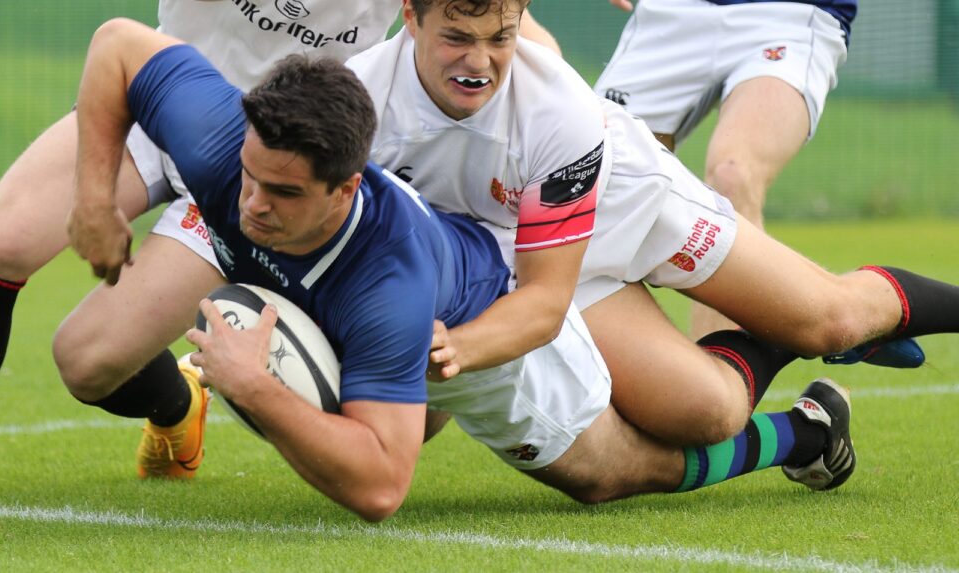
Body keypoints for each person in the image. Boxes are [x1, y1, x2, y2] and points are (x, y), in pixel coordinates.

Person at [67, 20, 854, 518]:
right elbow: (119, 45)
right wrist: (96, 199)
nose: (251, 204)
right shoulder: (225, 145)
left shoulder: (390, 281)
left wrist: (255, 386)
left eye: (284, 193)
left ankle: (798, 425)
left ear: (345, 188)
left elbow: (381, 489)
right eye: (249, 177)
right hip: (421, 303)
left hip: (489, 338)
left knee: (619, 468)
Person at [0, 0, 561, 501]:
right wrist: (93, 199)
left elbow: (512, 32)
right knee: (0, 242)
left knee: (87, 361)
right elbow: (117, 44)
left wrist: (574, 124)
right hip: (179, 108)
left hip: (286, 171)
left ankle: (183, 401)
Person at [344, 0, 959, 451]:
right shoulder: (358, 104)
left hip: (629, 204)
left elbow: (544, 304)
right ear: (410, 15)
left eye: (500, 38)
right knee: (707, 414)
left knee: (833, 319)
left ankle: (813, 323)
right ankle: (776, 335)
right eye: (456, 37)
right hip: (528, 253)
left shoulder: (556, 106)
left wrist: (456, 350)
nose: (479, 62)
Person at [589, 0, 904, 348]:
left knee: (734, 175)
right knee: (594, 179)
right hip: (674, 12)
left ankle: (728, 374)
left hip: (788, 14)